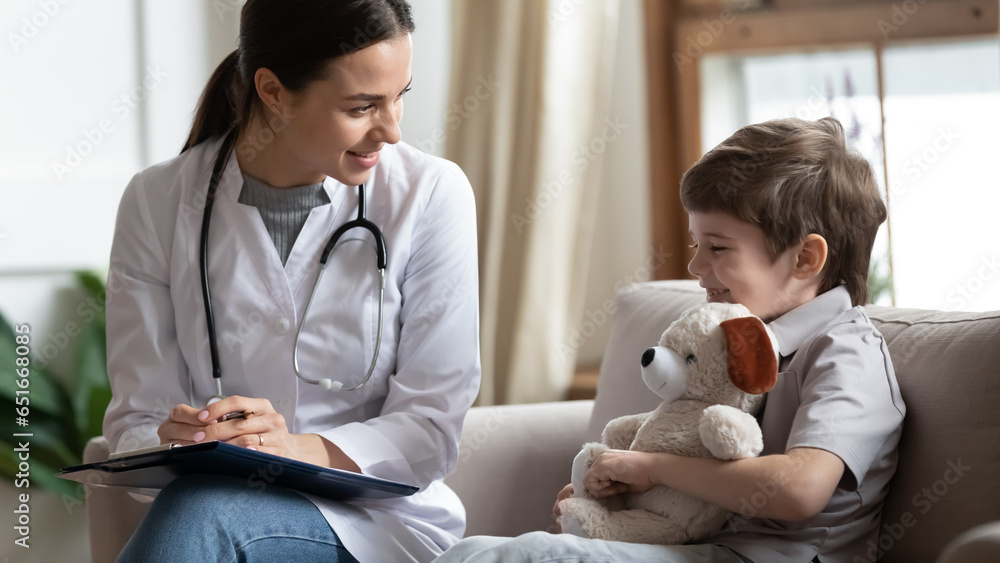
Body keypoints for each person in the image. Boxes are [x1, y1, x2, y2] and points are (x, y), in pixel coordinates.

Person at [102, 1, 481, 561]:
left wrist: (291, 448)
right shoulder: (158, 202)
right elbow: (136, 420)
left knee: (202, 514)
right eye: (362, 106)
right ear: (274, 92)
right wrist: (177, 437)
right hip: (214, 500)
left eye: (400, 96)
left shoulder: (431, 195)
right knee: (203, 508)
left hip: (376, 521)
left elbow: (432, 428)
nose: (393, 130)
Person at [434, 117, 905, 562]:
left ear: (805, 258)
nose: (696, 268)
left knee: (517, 556)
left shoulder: (846, 352)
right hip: (698, 547)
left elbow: (801, 489)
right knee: (481, 551)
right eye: (696, 245)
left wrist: (652, 467)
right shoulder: (724, 342)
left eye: (718, 247)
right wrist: (618, 499)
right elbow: (694, 476)